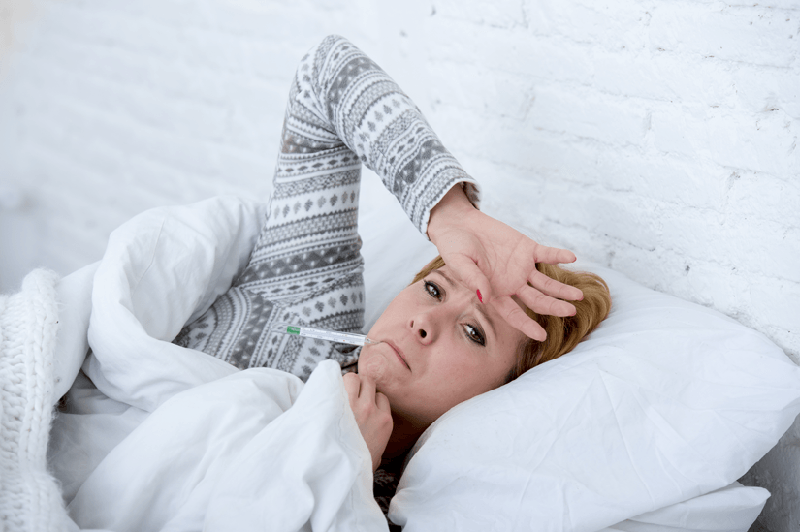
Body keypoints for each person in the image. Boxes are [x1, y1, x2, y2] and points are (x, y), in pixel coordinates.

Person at [170, 34, 611, 507]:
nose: (424, 322)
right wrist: (450, 213)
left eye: (473, 331)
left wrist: (340, 464)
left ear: (502, 394)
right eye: (435, 290)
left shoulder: (404, 510)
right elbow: (325, 74)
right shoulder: (308, 308)